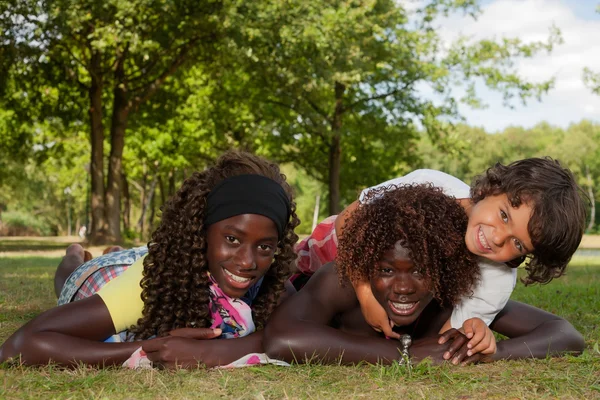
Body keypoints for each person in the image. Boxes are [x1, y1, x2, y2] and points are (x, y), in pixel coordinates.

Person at [0, 151, 300, 368]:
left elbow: (294, 335)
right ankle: (75, 253)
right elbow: (18, 346)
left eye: (264, 247)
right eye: (232, 239)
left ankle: (116, 251)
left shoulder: (271, 283)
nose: (248, 262)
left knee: (127, 257)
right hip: (103, 279)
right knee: (70, 277)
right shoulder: (149, 286)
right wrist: (148, 349)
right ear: (201, 231)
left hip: (148, 260)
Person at [294, 157, 588, 358]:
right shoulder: (433, 184)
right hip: (337, 243)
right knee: (298, 275)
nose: (497, 238)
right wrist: (365, 294)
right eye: (503, 215)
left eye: (518, 245)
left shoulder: (495, 279)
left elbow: (445, 340)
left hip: (389, 280)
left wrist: (475, 335)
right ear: (494, 188)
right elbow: (348, 220)